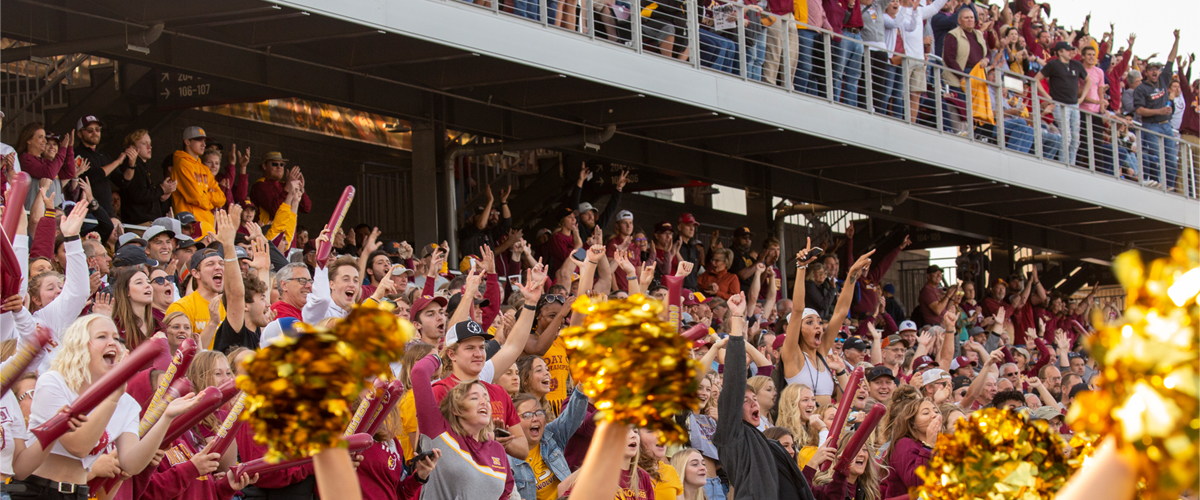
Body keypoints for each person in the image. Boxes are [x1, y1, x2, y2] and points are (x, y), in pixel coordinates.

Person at [18, 314, 199, 498]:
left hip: (80, 493)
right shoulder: (54, 382)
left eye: (116, 338)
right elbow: (78, 446)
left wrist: (166, 418)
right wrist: (112, 396)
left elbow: (131, 464)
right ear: (79, 345)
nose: (113, 343)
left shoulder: (126, 402)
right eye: (102, 336)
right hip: (36, 489)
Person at [713, 292, 817, 500]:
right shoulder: (731, 435)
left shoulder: (769, 444)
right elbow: (733, 383)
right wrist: (736, 320)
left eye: (754, 398)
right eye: (744, 400)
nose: (753, 402)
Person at [410, 349, 515, 500]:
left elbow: (504, 495)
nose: (483, 402)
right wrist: (436, 358)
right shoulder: (439, 433)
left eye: (486, 398)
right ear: (455, 409)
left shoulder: (497, 450)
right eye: (474, 398)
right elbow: (419, 372)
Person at [783, 241, 871, 405]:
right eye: (809, 322)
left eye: (818, 322)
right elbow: (797, 310)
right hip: (802, 427)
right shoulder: (791, 355)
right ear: (796, 329)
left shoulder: (822, 352)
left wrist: (852, 273)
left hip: (826, 426)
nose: (818, 326)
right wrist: (801, 267)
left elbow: (840, 311)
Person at [27, 203, 91, 373]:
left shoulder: (51, 318)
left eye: (61, 287)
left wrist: (72, 238)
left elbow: (77, 292)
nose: (58, 291)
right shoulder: (16, 320)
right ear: (35, 298)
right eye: (50, 288)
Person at [508, 388, 589, 500]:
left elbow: (572, 416)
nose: (535, 419)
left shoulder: (551, 436)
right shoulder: (507, 458)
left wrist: (582, 388)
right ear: (513, 422)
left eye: (539, 413)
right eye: (527, 415)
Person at [1133, 30, 1182, 188]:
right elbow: (1139, 111)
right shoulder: (1141, 89)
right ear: (1146, 72)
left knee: (1171, 160)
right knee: (1157, 158)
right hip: (1151, 126)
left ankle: (1169, 187)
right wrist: (1158, 112)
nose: (1155, 71)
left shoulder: (1163, 79)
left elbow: (1171, 59)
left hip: (1166, 126)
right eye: (1152, 69)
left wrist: (1177, 39)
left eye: (1157, 69)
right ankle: (1159, 186)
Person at [1034, 41, 1090, 166]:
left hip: (1074, 105)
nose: (1071, 52)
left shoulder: (1077, 65)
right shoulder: (1053, 64)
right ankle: (1064, 165)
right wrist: (1048, 97)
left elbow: (1088, 81)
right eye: (1068, 50)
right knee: (1067, 136)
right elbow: (1037, 79)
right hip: (1060, 104)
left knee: (1075, 139)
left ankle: (1071, 164)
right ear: (1060, 52)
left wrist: (1081, 98)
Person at [880, 385, 940, 497]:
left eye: (936, 411)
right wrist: (928, 447)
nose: (934, 416)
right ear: (912, 423)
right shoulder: (904, 444)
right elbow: (917, 485)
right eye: (926, 413)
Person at [165, 246, 226, 348]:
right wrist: (212, 323)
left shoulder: (231, 304)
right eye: (210, 264)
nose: (218, 267)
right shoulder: (181, 307)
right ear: (196, 273)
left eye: (221, 264)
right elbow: (181, 353)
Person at [170, 126, 226, 238]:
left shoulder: (204, 168)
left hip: (207, 225)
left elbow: (221, 199)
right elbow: (195, 196)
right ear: (187, 142)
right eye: (198, 140)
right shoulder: (182, 164)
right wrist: (210, 199)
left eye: (204, 141)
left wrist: (204, 195)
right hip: (189, 226)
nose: (203, 144)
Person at [114, 129, 174, 224]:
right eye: (144, 143)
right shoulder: (132, 166)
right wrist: (161, 189)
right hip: (140, 224)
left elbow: (145, 198)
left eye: (150, 143)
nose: (149, 147)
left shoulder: (142, 167)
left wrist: (161, 196)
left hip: (147, 222)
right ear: (132, 148)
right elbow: (138, 194)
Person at [74, 116, 126, 220]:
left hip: (107, 212)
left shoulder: (104, 155)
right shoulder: (76, 154)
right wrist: (117, 162)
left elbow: (122, 181)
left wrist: (131, 165)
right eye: (89, 130)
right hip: (88, 213)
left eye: (97, 129)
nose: (95, 133)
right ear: (79, 134)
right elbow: (91, 177)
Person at [806, 432, 885, 500]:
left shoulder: (870, 491)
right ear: (839, 455)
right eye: (855, 450)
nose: (861, 454)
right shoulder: (825, 488)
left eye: (864, 449)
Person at [250, 152, 312, 224]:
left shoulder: (284, 185)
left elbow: (306, 208)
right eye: (274, 164)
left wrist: (301, 189)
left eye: (282, 164)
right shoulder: (260, 185)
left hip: (287, 230)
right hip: (267, 232)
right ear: (264, 166)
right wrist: (288, 186)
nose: (279, 167)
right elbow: (275, 210)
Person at [108, 267, 162, 350]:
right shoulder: (116, 326)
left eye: (148, 282)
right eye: (139, 283)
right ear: (126, 291)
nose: (148, 285)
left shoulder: (160, 325)